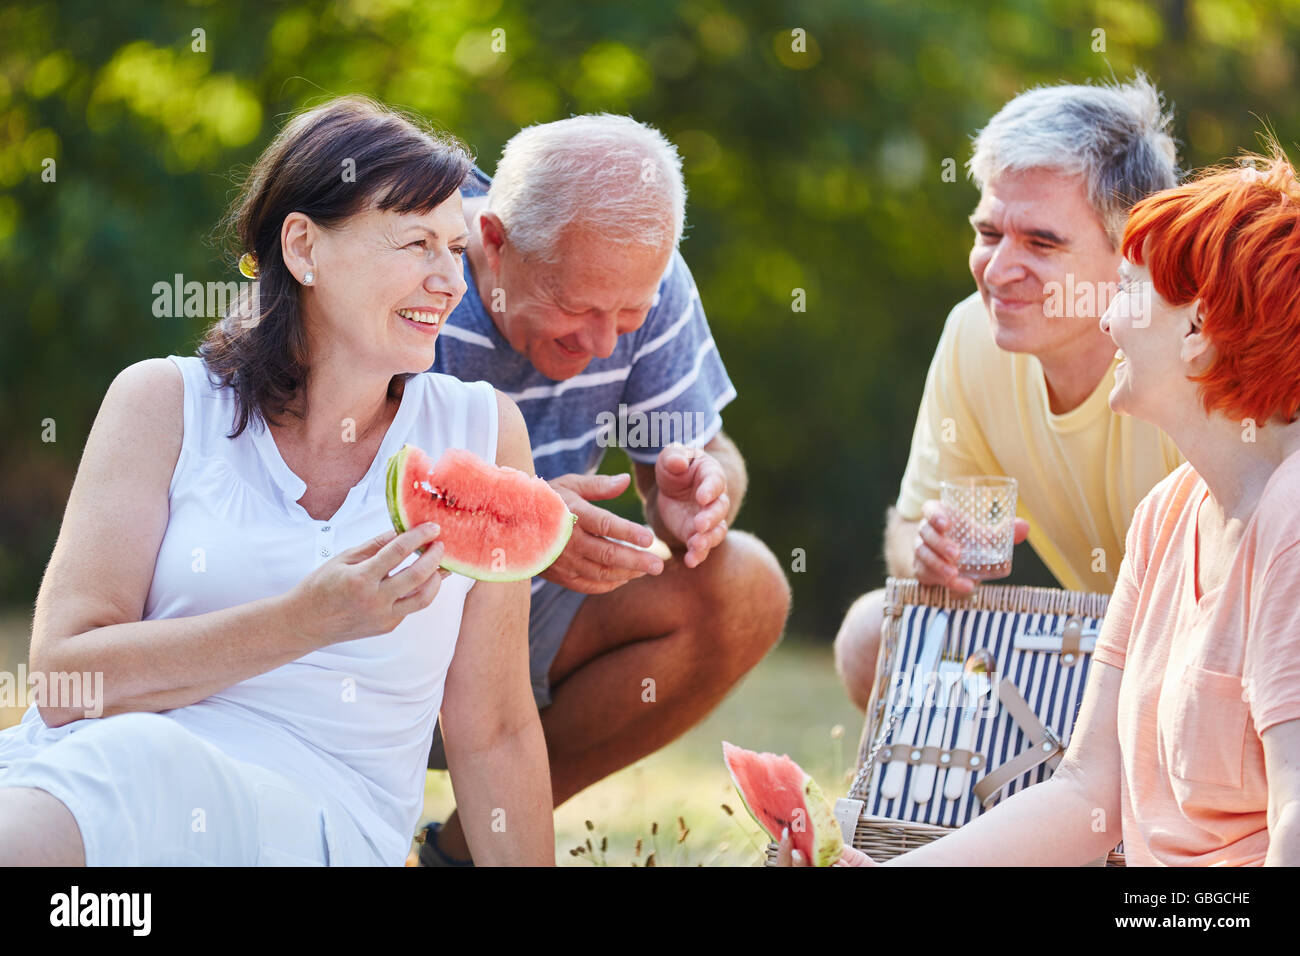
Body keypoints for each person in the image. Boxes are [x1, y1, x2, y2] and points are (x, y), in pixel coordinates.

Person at [0, 96, 553, 866]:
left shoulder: (481, 432)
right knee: (125, 766)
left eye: (455, 249)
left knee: (140, 768)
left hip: (316, 822)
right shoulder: (163, 402)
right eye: (417, 243)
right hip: (81, 774)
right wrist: (302, 621)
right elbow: (63, 685)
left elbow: (494, 728)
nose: (449, 282)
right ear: (303, 247)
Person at [781, 146, 1300, 866]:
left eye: (1126, 290)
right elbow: (1087, 792)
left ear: (1197, 332)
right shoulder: (1168, 514)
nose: (1108, 320)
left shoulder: (1292, 520)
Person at [419, 115, 791, 865]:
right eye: (577, 308)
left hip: (520, 624)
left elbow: (701, 454)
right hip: (377, 610)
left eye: (629, 314)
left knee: (747, 585)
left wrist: (698, 492)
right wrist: (517, 520)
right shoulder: (409, 260)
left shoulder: (647, 281)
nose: (603, 343)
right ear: (494, 240)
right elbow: (324, 482)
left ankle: (464, 850)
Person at [834, 75, 1184, 710]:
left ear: (1135, 247)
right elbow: (911, 526)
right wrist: (929, 554)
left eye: (1041, 243)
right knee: (870, 636)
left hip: (1209, 660)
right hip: (1102, 658)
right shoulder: (973, 335)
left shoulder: (1193, 352)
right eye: (989, 233)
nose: (996, 272)